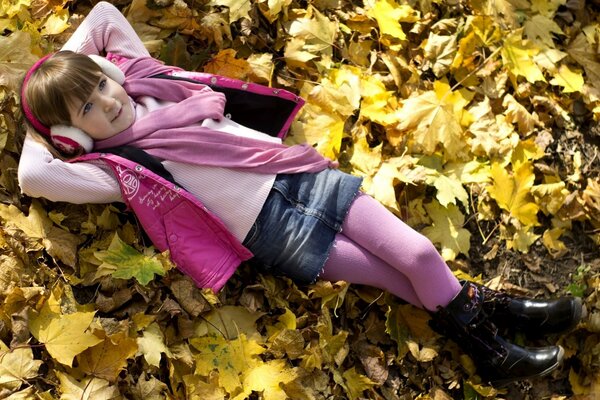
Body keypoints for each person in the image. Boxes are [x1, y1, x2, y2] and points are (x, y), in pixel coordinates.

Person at [17, 1, 582, 385]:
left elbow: (104, 15)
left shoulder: (151, 82)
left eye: (97, 86)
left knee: (416, 255)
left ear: (106, 72)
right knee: (392, 276)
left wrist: (74, 71)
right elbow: (34, 176)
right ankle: (490, 340)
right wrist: (50, 129)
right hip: (272, 233)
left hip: (299, 176)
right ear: (74, 133)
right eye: (86, 110)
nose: (106, 104)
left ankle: (492, 319)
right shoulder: (118, 169)